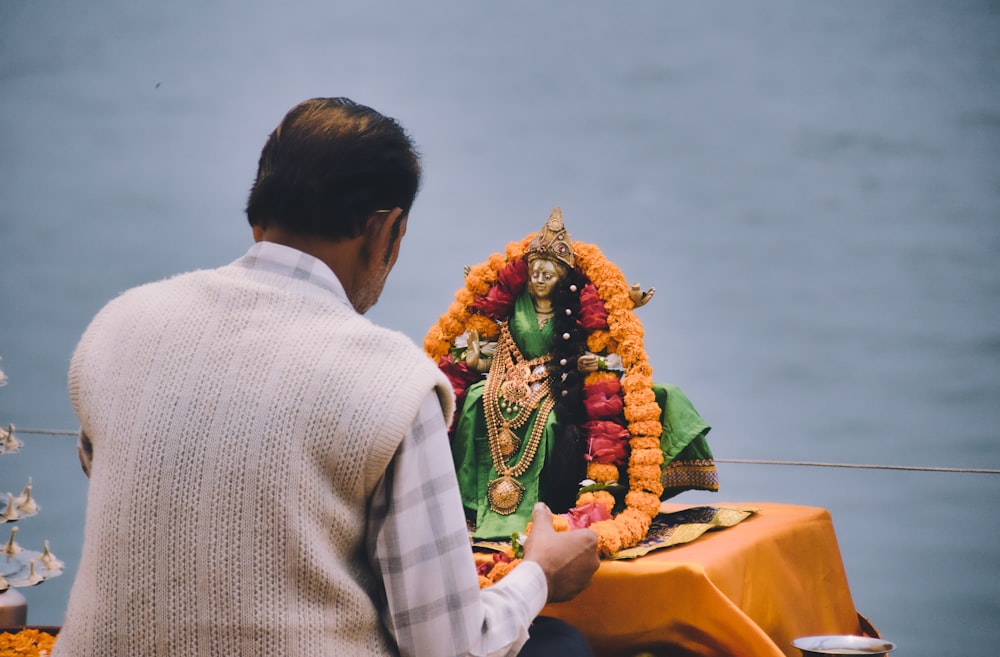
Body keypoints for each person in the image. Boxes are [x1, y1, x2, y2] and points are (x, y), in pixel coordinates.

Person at [55, 97, 599, 657]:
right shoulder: (388, 380)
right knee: (557, 645)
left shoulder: (117, 325)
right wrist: (539, 575)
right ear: (385, 229)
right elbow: (449, 646)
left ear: (256, 214)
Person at [434, 211, 719, 545]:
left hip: (560, 381)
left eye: (547, 274)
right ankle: (472, 501)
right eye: (534, 273)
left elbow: (604, 349)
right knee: (477, 400)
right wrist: (478, 359)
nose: (538, 280)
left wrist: (593, 357)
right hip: (509, 375)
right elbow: (494, 343)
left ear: (561, 279)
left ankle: (550, 500)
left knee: (553, 419)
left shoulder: (577, 304)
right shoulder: (515, 302)